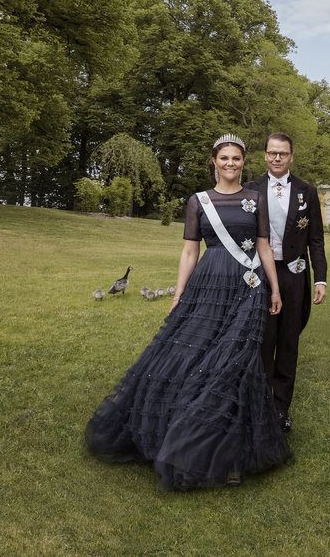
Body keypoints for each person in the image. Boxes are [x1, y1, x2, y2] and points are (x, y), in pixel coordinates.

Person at [85, 134, 291, 490]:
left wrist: (274, 287)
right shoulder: (198, 202)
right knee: (194, 356)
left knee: (237, 362)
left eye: (236, 159)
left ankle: (230, 456)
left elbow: (263, 246)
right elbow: (189, 252)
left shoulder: (256, 199)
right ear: (213, 161)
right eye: (224, 158)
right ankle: (184, 436)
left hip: (248, 287)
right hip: (208, 286)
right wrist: (179, 292)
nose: (230, 164)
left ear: (244, 162)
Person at [247, 132, 327, 433]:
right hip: (261, 275)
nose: (277, 158)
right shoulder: (251, 189)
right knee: (263, 341)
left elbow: (316, 240)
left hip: (295, 275)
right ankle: (262, 404)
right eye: (272, 153)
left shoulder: (307, 190)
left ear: (291, 156)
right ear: (265, 155)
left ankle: (281, 411)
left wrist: (320, 279)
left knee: (289, 343)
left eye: (282, 153)